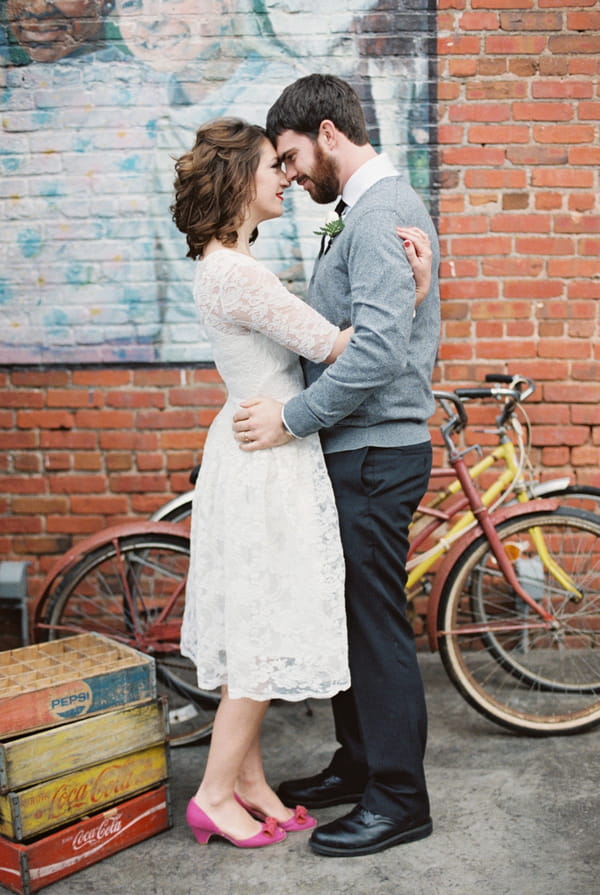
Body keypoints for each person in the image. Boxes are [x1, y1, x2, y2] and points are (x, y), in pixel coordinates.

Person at [171, 116, 432, 849]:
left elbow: (335, 342)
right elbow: (337, 343)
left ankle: (248, 782)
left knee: (255, 617)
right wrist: (415, 292)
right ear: (236, 183)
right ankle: (218, 792)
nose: (284, 176)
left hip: (257, 447)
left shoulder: (227, 265)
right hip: (269, 456)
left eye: (287, 162)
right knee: (263, 620)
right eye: (271, 166)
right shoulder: (238, 271)